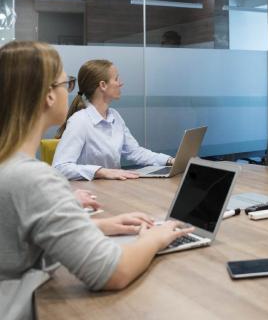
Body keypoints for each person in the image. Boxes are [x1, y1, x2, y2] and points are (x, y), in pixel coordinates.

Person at [0, 41, 193, 318]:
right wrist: (157, 237)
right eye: (65, 83)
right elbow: (113, 272)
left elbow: (23, 232)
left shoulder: (10, 166)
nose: (70, 92)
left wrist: (99, 225)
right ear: (48, 97)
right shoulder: (32, 178)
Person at [53, 59, 174, 181]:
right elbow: (60, 168)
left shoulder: (115, 116)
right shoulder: (80, 121)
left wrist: (169, 160)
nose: (121, 83)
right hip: (90, 193)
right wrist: (100, 171)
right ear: (103, 85)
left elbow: (135, 152)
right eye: (116, 79)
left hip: (113, 189)